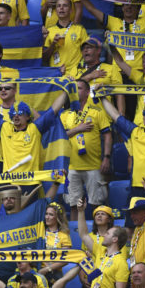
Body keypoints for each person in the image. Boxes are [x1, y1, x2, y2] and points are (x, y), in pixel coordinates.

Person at [0, 87, 68, 173]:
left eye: (20, 113)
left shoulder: (35, 128)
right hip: (10, 180)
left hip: (30, 181)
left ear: (28, 116)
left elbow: (54, 109)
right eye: (13, 113)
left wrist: (67, 88)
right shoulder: (5, 128)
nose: (16, 116)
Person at [61, 80, 112, 211]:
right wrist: (78, 129)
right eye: (74, 88)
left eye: (79, 88)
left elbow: (107, 135)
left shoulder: (97, 112)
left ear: (88, 92)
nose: (75, 91)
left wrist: (106, 157)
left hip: (93, 166)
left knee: (98, 205)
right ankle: (75, 225)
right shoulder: (65, 114)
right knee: (74, 205)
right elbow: (61, 136)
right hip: (71, 167)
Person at [42, 0, 88, 75]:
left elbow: (86, 53)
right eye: (58, 6)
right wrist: (53, 44)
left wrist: (80, 71)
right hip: (56, 74)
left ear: (71, 11)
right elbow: (45, 58)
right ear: (56, 11)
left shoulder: (80, 29)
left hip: (75, 75)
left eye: (65, 6)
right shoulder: (49, 31)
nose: (61, 8)